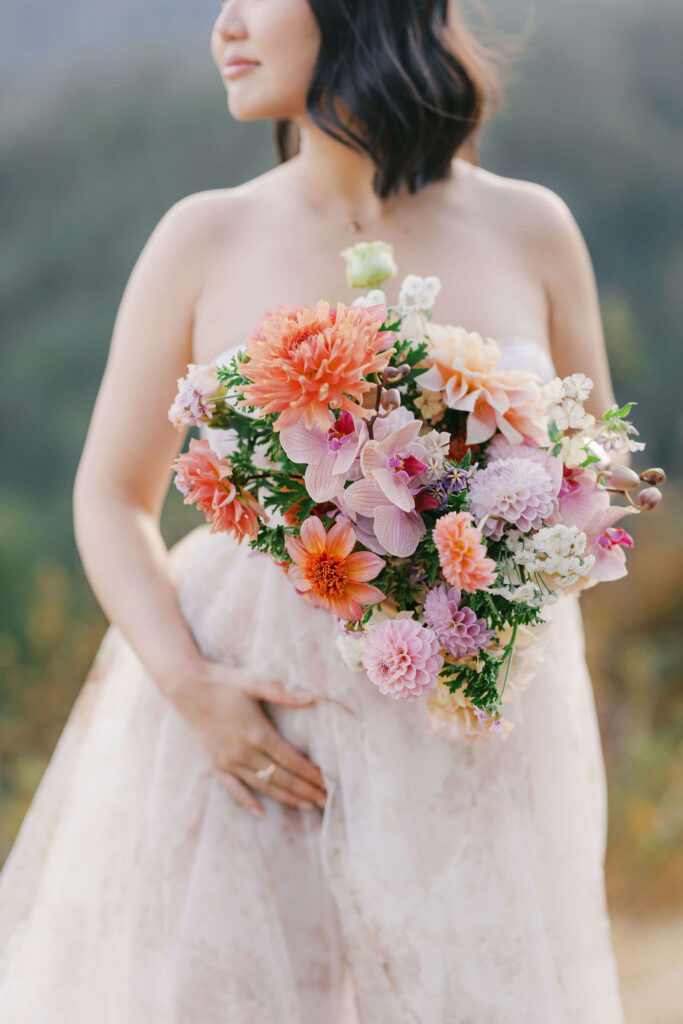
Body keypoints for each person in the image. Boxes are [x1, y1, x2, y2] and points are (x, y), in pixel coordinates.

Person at [0, 1, 628, 1020]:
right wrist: (191, 686)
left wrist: (480, 533)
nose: (223, 25)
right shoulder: (204, 232)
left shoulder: (531, 227)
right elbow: (111, 495)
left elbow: (593, 487)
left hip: (462, 729)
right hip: (255, 723)